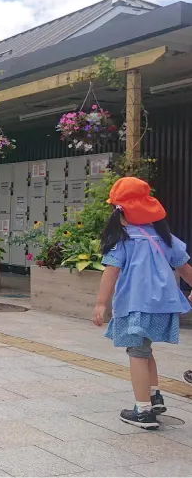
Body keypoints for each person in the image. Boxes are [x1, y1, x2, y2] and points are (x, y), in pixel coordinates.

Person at [92, 177, 192, 430]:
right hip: (163, 306)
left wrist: (101, 304)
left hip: (136, 305)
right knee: (146, 351)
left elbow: (110, 273)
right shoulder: (165, 238)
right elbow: (185, 269)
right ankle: (154, 395)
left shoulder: (124, 240)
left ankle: (143, 410)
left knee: (137, 353)